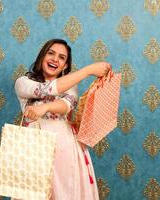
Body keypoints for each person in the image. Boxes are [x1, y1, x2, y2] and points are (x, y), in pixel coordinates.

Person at [14, 38, 111, 200]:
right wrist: (88, 70)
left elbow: (67, 105)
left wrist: (45, 107)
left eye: (61, 57)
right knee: (32, 194)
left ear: (65, 65)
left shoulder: (70, 85)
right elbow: (45, 90)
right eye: (50, 53)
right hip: (33, 145)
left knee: (66, 193)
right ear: (42, 57)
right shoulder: (23, 82)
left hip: (65, 147)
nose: (55, 59)